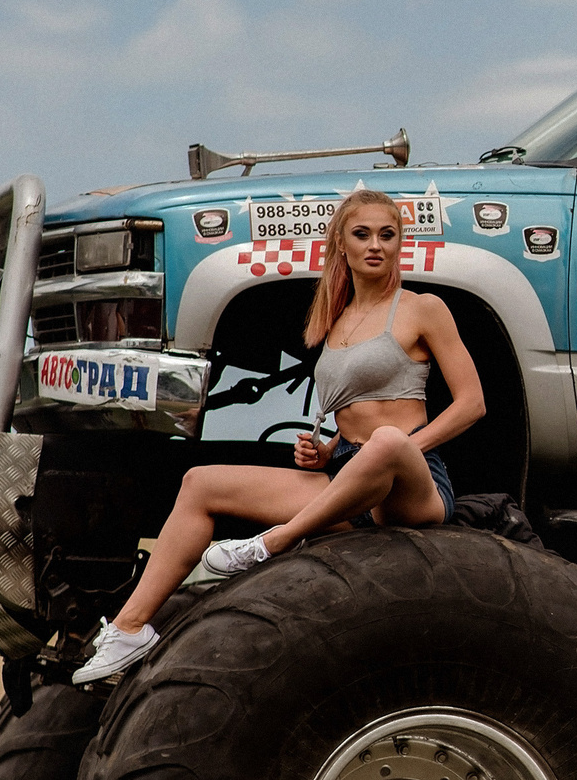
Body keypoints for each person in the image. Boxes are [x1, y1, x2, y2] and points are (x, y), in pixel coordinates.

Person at [73, 187, 486, 684]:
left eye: (387, 234)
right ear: (341, 245)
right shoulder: (335, 321)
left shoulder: (423, 308)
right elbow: (353, 419)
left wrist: (396, 450)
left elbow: (472, 404)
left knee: (386, 444)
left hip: (413, 487)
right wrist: (328, 451)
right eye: (362, 234)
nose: (375, 245)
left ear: (401, 242)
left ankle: (273, 542)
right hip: (349, 480)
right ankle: (130, 627)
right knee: (201, 482)